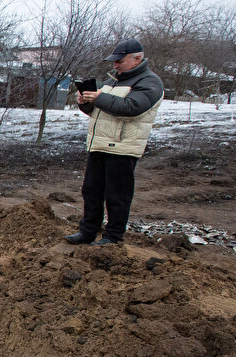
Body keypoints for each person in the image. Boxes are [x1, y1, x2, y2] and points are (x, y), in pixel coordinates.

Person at [66, 37, 164, 246]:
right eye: (114, 61)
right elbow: (100, 110)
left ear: (137, 59)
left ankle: (112, 236)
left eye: (120, 60)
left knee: (117, 195)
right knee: (91, 190)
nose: (115, 64)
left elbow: (131, 108)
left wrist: (99, 97)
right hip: (100, 143)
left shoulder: (149, 82)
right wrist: (86, 103)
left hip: (123, 147)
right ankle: (88, 231)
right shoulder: (113, 81)